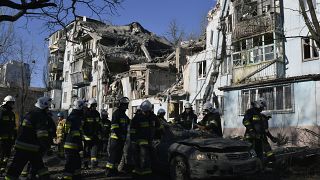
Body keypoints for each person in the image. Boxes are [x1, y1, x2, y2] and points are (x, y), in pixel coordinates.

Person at [5, 97, 52, 180]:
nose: (48, 109)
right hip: (30, 147)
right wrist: (47, 147)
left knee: (15, 169)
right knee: (38, 168)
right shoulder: (40, 115)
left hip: (23, 146)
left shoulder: (31, 113)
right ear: (44, 106)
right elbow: (42, 134)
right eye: (48, 107)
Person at [243, 98, 278, 167]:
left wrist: (270, 137)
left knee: (259, 153)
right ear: (259, 105)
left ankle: (260, 168)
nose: (262, 109)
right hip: (250, 137)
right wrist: (251, 131)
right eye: (262, 107)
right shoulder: (250, 111)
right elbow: (245, 121)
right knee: (250, 153)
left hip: (258, 137)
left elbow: (263, 129)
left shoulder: (259, 115)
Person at [130, 100, 157, 179]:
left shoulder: (153, 117)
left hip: (151, 142)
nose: (146, 113)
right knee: (143, 159)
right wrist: (134, 141)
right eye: (145, 112)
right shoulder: (137, 118)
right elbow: (132, 131)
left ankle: (146, 174)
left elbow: (159, 126)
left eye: (148, 111)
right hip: (140, 142)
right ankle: (141, 175)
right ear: (142, 110)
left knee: (149, 159)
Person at [105, 97, 130, 177]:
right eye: (124, 105)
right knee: (113, 156)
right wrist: (120, 136)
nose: (126, 107)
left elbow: (129, 123)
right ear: (121, 105)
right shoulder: (116, 113)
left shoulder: (124, 115)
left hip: (121, 139)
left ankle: (114, 170)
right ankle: (108, 171)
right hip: (115, 139)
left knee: (118, 156)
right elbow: (114, 127)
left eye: (126, 105)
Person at [62, 99, 85, 180]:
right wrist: (80, 145)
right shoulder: (75, 118)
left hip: (70, 143)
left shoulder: (72, 116)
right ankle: (66, 177)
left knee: (77, 162)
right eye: (83, 108)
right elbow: (75, 133)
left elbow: (66, 130)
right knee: (70, 163)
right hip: (72, 144)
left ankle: (77, 176)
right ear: (80, 107)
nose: (84, 110)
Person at [83, 98, 101, 168]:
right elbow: (82, 124)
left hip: (95, 135)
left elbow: (99, 124)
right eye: (93, 105)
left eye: (95, 106)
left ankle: (94, 163)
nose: (94, 107)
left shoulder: (97, 113)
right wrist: (83, 134)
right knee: (87, 151)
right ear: (90, 105)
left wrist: (99, 132)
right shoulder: (85, 113)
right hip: (87, 136)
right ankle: (85, 164)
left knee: (95, 149)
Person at [0, 95, 16, 174]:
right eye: (10, 103)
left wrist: (14, 138)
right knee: (1, 155)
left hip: (9, 139)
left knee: (7, 156)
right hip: (1, 139)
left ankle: (3, 169)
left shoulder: (12, 114)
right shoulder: (1, 111)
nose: (11, 105)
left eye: (12, 103)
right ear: (6, 103)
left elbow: (14, 127)